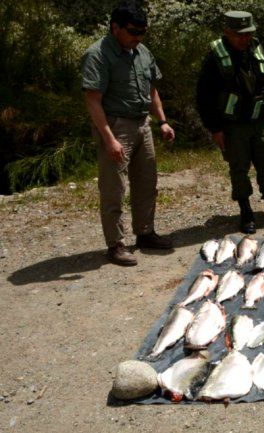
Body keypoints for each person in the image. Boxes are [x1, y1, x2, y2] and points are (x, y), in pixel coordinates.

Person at [81, 2, 174, 267]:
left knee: (147, 182)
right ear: (115, 28)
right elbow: (93, 100)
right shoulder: (97, 55)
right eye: (133, 32)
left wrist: (163, 122)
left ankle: (145, 233)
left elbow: (152, 90)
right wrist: (109, 138)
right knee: (114, 188)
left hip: (142, 123)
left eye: (142, 32)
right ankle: (116, 244)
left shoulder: (142, 51)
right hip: (116, 125)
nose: (138, 38)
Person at [196, 11, 264, 233]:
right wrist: (215, 128)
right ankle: (246, 213)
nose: (245, 39)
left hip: (259, 121)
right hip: (232, 126)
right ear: (227, 32)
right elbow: (204, 97)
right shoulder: (215, 58)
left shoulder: (258, 50)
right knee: (239, 169)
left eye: (248, 33)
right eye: (239, 35)